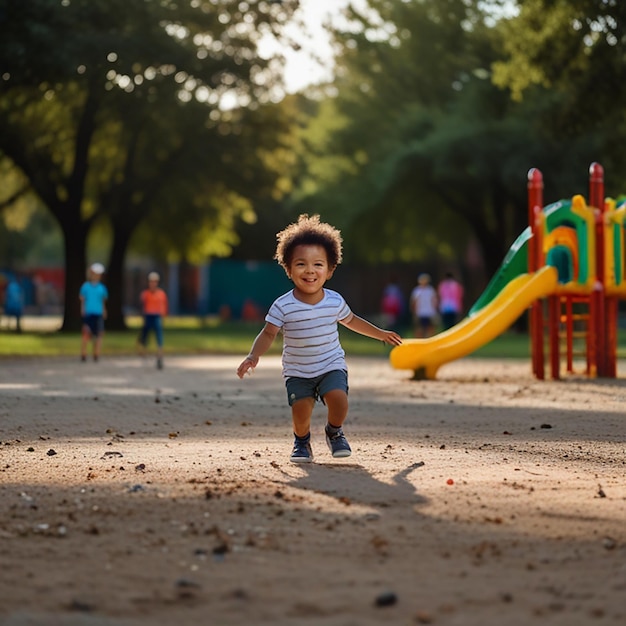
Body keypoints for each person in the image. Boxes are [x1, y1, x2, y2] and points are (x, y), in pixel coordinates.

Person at [236, 214, 402, 464]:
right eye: (301, 264)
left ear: (330, 270)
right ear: (289, 270)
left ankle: (334, 432)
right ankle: (301, 441)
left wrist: (380, 333)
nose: (310, 270)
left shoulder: (334, 301)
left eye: (318, 264)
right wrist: (253, 355)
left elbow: (353, 321)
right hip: (298, 370)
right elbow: (268, 333)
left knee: (339, 400)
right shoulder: (283, 305)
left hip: (330, 365)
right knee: (300, 412)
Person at [138, 271, 168, 369]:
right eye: (151, 281)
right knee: (144, 337)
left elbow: (164, 306)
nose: (153, 283)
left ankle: (159, 357)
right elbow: (142, 306)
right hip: (148, 315)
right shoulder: (145, 294)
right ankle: (144, 355)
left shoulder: (161, 294)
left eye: (154, 281)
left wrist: (163, 316)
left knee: (159, 337)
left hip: (157, 316)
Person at [79, 263, 108, 362]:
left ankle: (96, 354)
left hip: (98, 313)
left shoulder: (102, 288)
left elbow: (103, 301)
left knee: (99, 334)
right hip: (88, 313)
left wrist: (104, 310)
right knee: (86, 333)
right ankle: (83, 353)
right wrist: (82, 309)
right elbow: (82, 299)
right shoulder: (85, 286)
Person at [410, 273, 438, 338]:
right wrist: (414, 312)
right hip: (420, 313)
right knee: (419, 329)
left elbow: (434, 301)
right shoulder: (417, 290)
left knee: (430, 329)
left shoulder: (430, 290)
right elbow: (414, 302)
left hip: (429, 312)